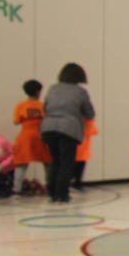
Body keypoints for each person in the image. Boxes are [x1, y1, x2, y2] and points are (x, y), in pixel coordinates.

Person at [40, 63, 95, 203]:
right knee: (66, 162)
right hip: (69, 129)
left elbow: (45, 108)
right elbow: (90, 113)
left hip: (48, 128)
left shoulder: (53, 88)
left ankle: (52, 193)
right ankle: (62, 194)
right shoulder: (80, 91)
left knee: (54, 161)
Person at [12, 80, 50, 195]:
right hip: (41, 136)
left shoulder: (20, 105)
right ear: (38, 92)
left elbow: (16, 122)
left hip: (25, 136)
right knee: (47, 163)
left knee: (21, 164)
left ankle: (16, 190)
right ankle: (50, 187)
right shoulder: (43, 105)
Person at [72, 118, 98, 192]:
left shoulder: (75, 120)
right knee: (79, 168)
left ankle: (75, 183)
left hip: (77, 147)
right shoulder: (88, 121)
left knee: (73, 167)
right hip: (82, 148)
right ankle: (77, 183)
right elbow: (94, 131)